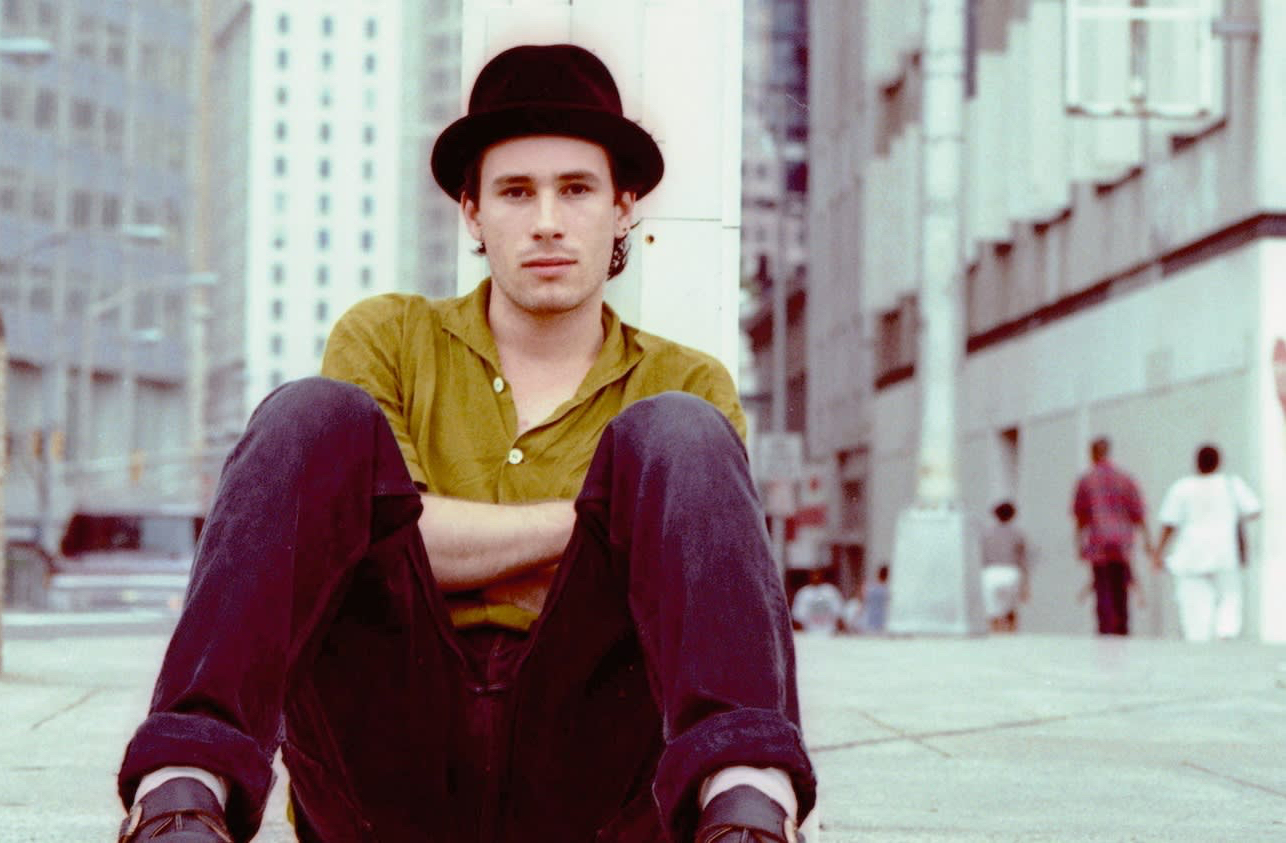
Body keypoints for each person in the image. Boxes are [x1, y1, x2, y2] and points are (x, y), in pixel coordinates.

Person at [113, 44, 813, 843]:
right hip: (388, 762)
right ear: (473, 213)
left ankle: (750, 807)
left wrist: (458, 529)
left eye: (576, 189)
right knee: (309, 413)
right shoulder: (388, 338)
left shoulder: (684, 389)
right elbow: (367, 538)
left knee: (682, 428)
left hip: (593, 776)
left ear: (623, 207)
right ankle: (180, 792)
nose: (546, 220)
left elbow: (709, 591)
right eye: (515, 191)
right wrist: (614, 523)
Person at [1153, 444, 1261, 642]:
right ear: (1219, 462)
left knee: (1193, 603)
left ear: (1196, 462)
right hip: (1225, 552)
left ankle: (1199, 638)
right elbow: (1254, 510)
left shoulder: (1182, 487)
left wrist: (1159, 552)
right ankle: (1225, 634)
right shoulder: (1231, 485)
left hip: (1191, 554)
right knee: (1229, 596)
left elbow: (1169, 523)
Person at [1071, 437, 1153, 636]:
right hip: (1122, 542)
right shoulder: (1125, 479)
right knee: (1121, 589)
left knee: (1103, 589)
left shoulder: (1086, 480)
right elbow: (1138, 512)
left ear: (1092, 453)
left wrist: (1078, 543)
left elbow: (1080, 515)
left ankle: (1106, 632)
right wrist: (1147, 542)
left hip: (1099, 542)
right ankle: (1122, 631)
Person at [980, 501, 1029, 633]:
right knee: (1011, 609)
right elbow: (1022, 560)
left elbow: (981, 557)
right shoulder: (1018, 534)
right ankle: (1011, 633)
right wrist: (1025, 586)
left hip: (990, 573)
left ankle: (995, 634)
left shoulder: (986, 534)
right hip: (1011, 572)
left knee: (993, 611)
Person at [791, 566, 844, 636]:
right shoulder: (803, 593)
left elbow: (839, 614)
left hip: (830, 634)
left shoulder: (831, 591)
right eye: (813, 574)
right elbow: (797, 617)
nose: (816, 577)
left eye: (817, 574)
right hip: (809, 634)